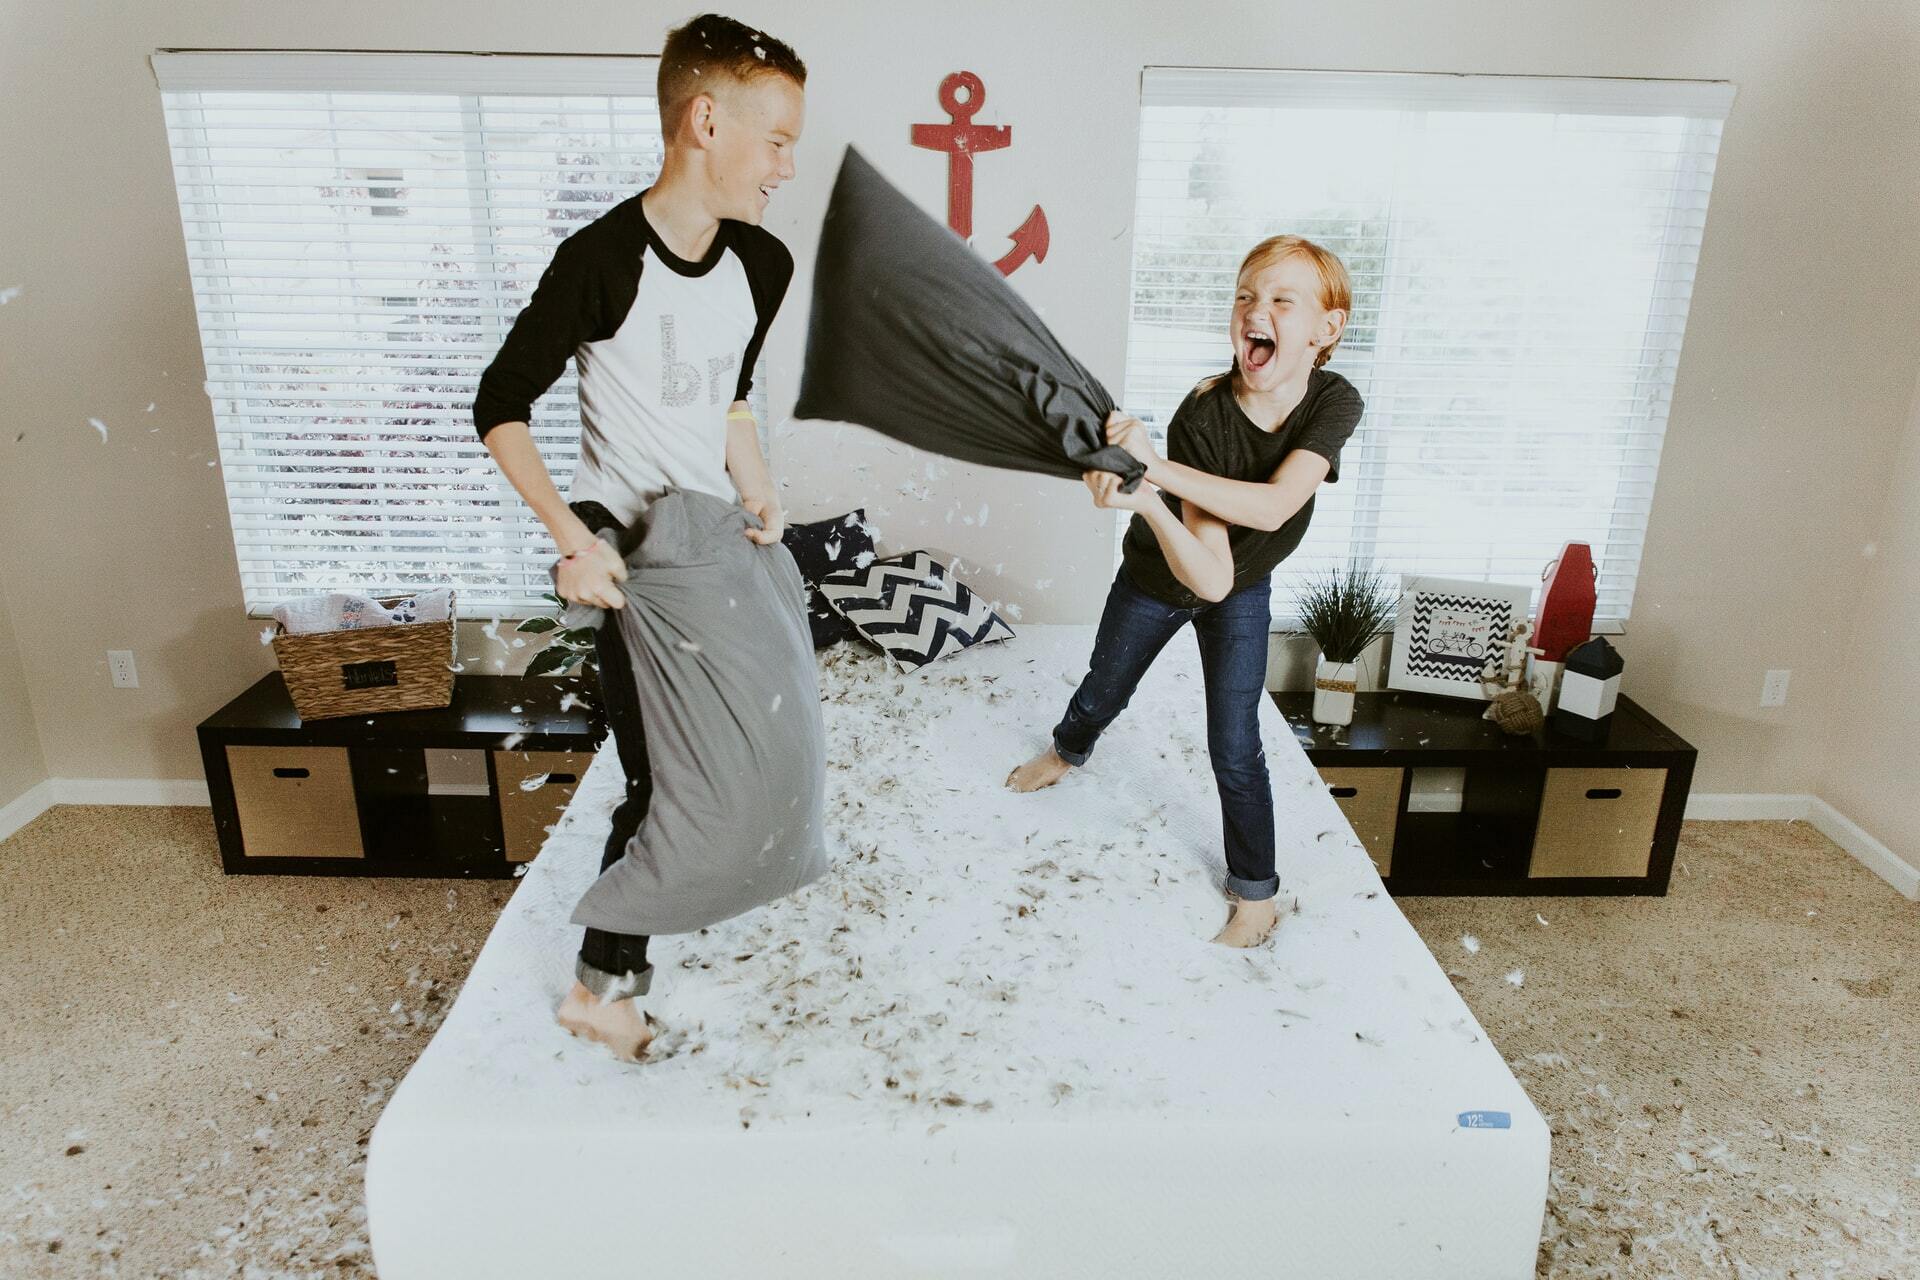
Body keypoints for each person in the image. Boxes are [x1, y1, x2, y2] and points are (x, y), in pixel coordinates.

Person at [471, 13, 806, 1060]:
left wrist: (758, 489)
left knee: (769, 756)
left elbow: (734, 398)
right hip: (636, 561)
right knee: (666, 782)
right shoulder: (602, 260)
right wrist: (572, 537)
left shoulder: (764, 263)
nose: (787, 167)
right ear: (705, 120)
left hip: (723, 545)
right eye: (778, 140)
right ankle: (602, 987)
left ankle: (640, 943)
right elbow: (500, 402)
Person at [1008, 235, 1365, 948]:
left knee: (1235, 744)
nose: (1254, 310)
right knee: (1104, 688)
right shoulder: (1203, 413)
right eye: (1244, 296)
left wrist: (1154, 470)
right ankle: (1067, 751)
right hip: (1162, 573)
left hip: (1242, 584)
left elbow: (1269, 510)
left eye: (1280, 300)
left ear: (1327, 330)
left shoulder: (1335, 400)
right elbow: (1205, 569)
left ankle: (1256, 892)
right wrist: (1144, 498)